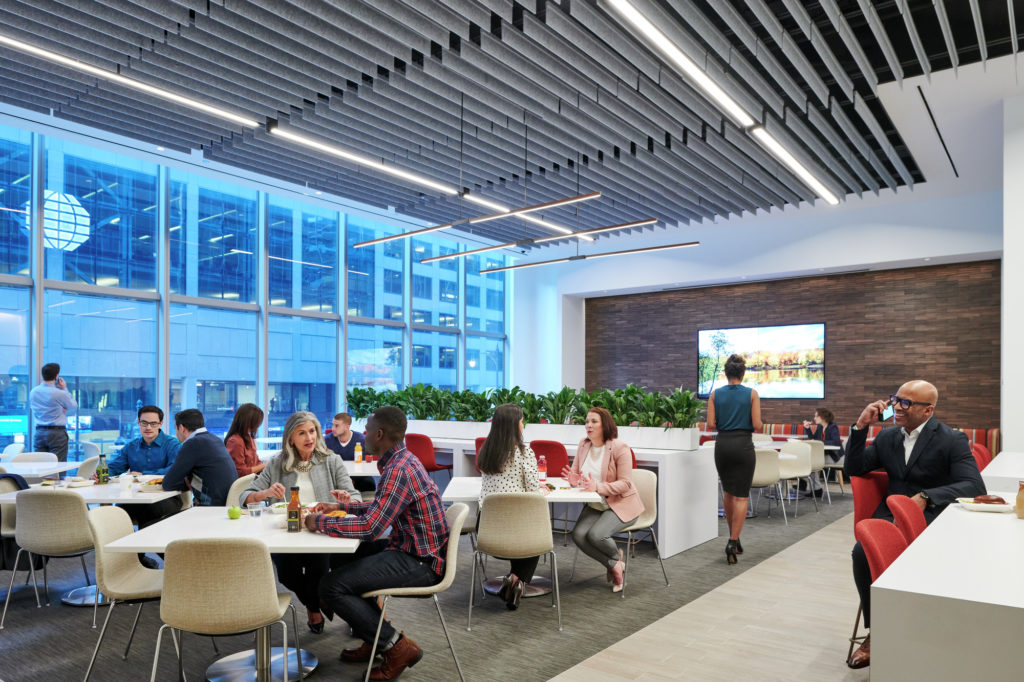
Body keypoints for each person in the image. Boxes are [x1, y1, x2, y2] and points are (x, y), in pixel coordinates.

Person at [844, 380, 986, 669]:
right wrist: (860, 428)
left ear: (927, 410)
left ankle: (933, 627)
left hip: (932, 518)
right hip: (890, 515)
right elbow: (854, 469)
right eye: (896, 399)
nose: (896, 407)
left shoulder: (950, 439)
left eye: (906, 403)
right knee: (863, 552)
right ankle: (878, 631)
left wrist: (926, 496)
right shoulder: (888, 438)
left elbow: (973, 485)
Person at [305, 406, 449, 681]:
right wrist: (341, 508)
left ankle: (396, 645)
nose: (363, 435)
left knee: (332, 585)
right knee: (342, 560)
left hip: (421, 561)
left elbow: (371, 528)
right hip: (413, 548)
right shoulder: (401, 461)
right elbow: (383, 508)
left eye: (367, 430)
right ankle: (373, 637)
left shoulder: (398, 471)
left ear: (380, 434)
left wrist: (319, 522)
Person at [240, 411, 361, 634]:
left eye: (313, 431)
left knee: (319, 569)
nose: (309, 438)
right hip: (286, 531)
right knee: (286, 574)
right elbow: (244, 498)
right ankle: (317, 601)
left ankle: (314, 610)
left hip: (321, 530)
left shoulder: (331, 461)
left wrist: (345, 501)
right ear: (291, 439)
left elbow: (355, 497)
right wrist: (264, 492)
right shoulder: (278, 464)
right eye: (302, 433)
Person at [560, 406, 642, 593]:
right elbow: (577, 476)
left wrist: (598, 487)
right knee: (579, 535)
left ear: (605, 425)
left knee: (596, 535)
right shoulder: (583, 444)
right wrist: (574, 481)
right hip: (596, 504)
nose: (589, 425)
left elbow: (626, 484)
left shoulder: (620, 448)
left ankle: (614, 564)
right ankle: (615, 562)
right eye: (587, 421)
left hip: (621, 504)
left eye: (594, 421)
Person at [476, 403, 547, 610]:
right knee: (537, 532)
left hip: (487, 532)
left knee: (525, 529)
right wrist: (542, 490)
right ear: (514, 425)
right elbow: (533, 490)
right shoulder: (525, 453)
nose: (523, 425)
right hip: (517, 533)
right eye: (521, 421)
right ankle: (516, 581)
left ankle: (514, 581)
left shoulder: (485, 452)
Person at [107, 405, 183, 566]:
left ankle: (141, 562)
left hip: (166, 498)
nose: (148, 427)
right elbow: (115, 468)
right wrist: (103, 473)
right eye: (144, 423)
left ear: (161, 423)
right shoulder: (132, 446)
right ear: (138, 423)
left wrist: (145, 474)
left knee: (149, 514)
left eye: (153, 423)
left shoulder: (172, 444)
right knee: (115, 515)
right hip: (136, 498)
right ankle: (137, 562)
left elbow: (174, 470)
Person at [706, 354, 762, 565]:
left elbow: (711, 423)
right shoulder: (752, 394)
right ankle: (731, 541)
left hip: (722, 446)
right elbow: (757, 424)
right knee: (741, 496)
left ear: (726, 373)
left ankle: (735, 538)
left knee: (728, 494)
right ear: (743, 373)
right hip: (743, 445)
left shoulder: (714, 394)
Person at [161, 409, 237, 506]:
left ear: (181, 428)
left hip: (210, 506)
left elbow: (168, 484)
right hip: (227, 502)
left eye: (175, 428)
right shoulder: (214, 439)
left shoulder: (193, 443)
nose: (176, 433)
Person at [28, 362, 77, 462]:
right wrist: (64, 388)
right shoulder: (59, 393)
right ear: (56, 376)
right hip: (56, 433)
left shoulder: (33, 392)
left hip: (39, 432)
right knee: (58, 466)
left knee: (40, 465)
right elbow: (73, 406)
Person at [325, 412, 373, 493]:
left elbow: (364, 465)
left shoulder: (361, 440)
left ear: (347, 427)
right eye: (332, 425)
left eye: (336, 426)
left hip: (357, 477)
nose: (333, 428)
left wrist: (352, 480)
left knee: (369, 484)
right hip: (336, 477)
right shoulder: (327, 440)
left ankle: (360, 504)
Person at [802, 407, 845, 495]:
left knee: (812, 461)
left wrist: (819, 442)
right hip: (825, 455)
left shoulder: (833, 427)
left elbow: (836, 442)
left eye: (816, 416)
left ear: (823, 417)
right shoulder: (820, 427)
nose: (814, 418)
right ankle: (811, 486)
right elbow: (814, 439)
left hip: (835, 457)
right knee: (807, 459)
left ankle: (810, 486)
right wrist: (808, 428)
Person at [224, 403, 267, 477]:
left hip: (252, 481)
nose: (258, 426)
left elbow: (256, 462)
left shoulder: (249, 437)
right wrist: (265, 465)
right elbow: (240, 472)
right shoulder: (235, 441)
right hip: (243, 485)